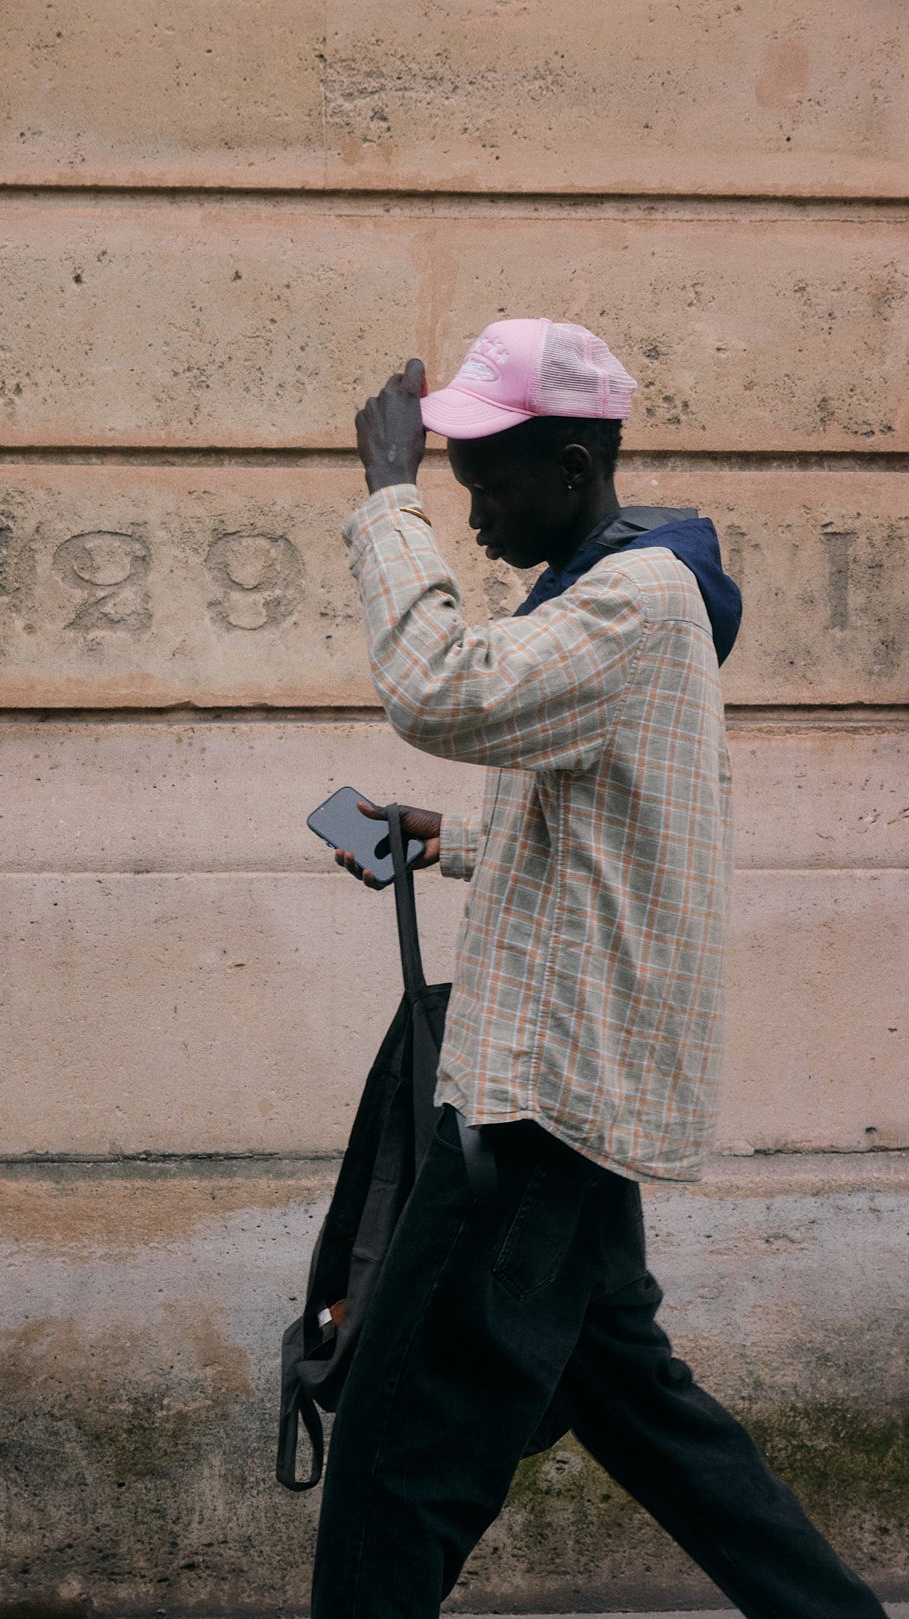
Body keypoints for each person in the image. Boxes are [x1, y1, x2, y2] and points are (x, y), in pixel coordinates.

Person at [311, 319, 887, 1618]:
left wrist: (388, 496)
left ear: (572, 468)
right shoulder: (615, 601)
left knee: (393, 1477)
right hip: (574, 1110)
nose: (472, 512)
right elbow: (613, 830)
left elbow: (438, 688)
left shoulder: (631, 602)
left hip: (532, 1121)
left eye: (488, 484)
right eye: (454, 491)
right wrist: (449, 842)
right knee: (659, 1431)